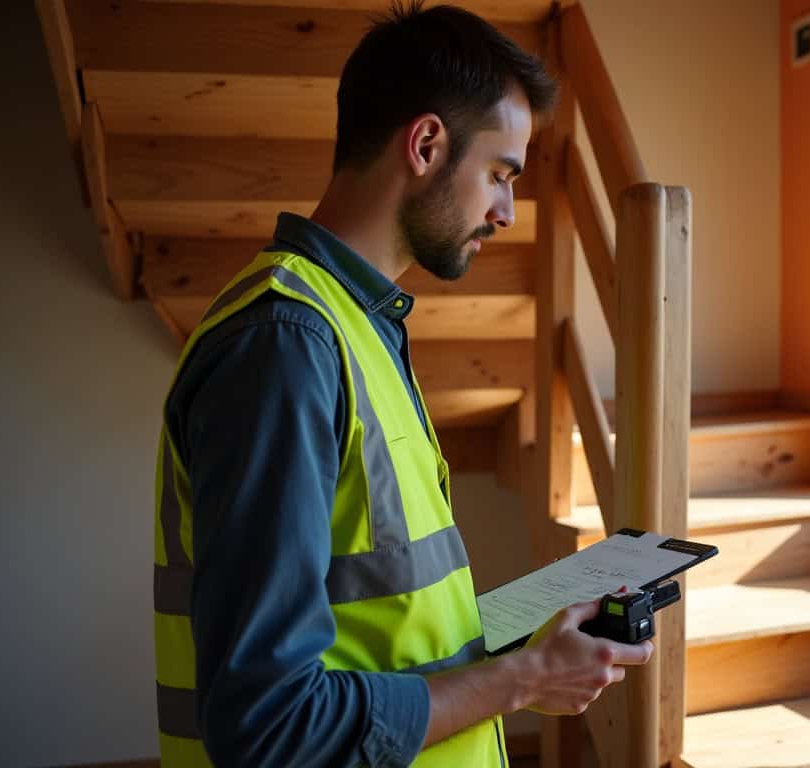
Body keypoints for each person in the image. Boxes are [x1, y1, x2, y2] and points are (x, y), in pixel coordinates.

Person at [151, 3, 652, 766]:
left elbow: (378, 611)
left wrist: (526, 627)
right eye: (499, 174)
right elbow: (269, 726)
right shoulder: (286, 348)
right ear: (425, 145)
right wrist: (522, 680)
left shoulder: (358, 324)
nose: (507, 212)